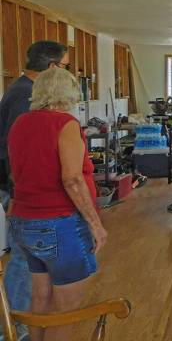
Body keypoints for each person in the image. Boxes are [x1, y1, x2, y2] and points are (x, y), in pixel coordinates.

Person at [8, 68, 107, 341]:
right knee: (66, 309)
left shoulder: (20, 123)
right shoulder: (65, 124)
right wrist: (96, 225)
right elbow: (73, 179)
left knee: (41, 297)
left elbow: (18, 173)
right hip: (58, 224)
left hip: (23, 221)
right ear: (70, 93)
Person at [0, 40, 68, 326]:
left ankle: (23, 320)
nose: (67, 73)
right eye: (65, 67)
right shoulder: (23, 97)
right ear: (52, 67)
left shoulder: (25, 91)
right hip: (19, 194)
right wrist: (18, 194)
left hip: (20, 192)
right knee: (23, 261)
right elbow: (14, 152)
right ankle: (15, 327)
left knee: (29, 261)